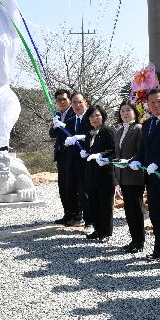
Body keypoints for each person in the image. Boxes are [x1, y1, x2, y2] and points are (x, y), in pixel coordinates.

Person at [130, 88, 160, 260]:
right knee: (156, 214)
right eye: (152, 102)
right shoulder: (147, 123)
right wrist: (138, 160)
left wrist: (158, 163)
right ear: (148, 105)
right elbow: (144, 148)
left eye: (159, 101)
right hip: (151, 176)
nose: (156, 105)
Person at [80, 105, 116, 242]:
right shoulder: (90, 133)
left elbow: (113, 150)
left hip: (105, 174)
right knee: (93, 203)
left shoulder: (108, 131)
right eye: (91, 116)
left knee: (105, 204)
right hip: (91, 173)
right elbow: (89, 150)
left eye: (97, 115)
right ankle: (97, 229)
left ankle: (106, 232)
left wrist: (100, 155)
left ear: (103, 116)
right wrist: (85, 153)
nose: (94, 119)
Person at [114, 100, 146, 253]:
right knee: (128, 209)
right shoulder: (119, 131)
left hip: (135, 175)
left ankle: (139, 241)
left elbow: (141, 151)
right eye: (122, 111)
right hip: (123, 175)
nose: (125, 113)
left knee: (136, 208)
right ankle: (133, 239)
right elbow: (117, 153)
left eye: (128, 110)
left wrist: (130, 161)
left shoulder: (138, 128)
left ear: (134, 112)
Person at [62, 92, 90, 228]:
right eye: (74, 102)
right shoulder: (70, 121)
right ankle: (77, 216)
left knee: (85, 191)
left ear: (85, 102)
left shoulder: (91, 117)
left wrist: (81, 137)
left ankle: (90, 221)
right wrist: (66, 143)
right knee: (72, 189)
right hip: (71, 161)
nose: (77, 105)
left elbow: (93, 134)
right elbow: (62, 139)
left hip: (85, 160)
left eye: (80, 102)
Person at [49, 89, 75, 225]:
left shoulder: (73, 112)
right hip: (61, 154)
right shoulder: (58, 114)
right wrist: (55, 124)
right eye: (58, 100)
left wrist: (64, 126)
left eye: (64, 99)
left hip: (72, 154)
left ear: (69, 99)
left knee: (72, 185)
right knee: (63, 186)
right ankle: (67, 214)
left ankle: (76, 215)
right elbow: (52, 134)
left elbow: (75, 130)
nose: (61, 102)